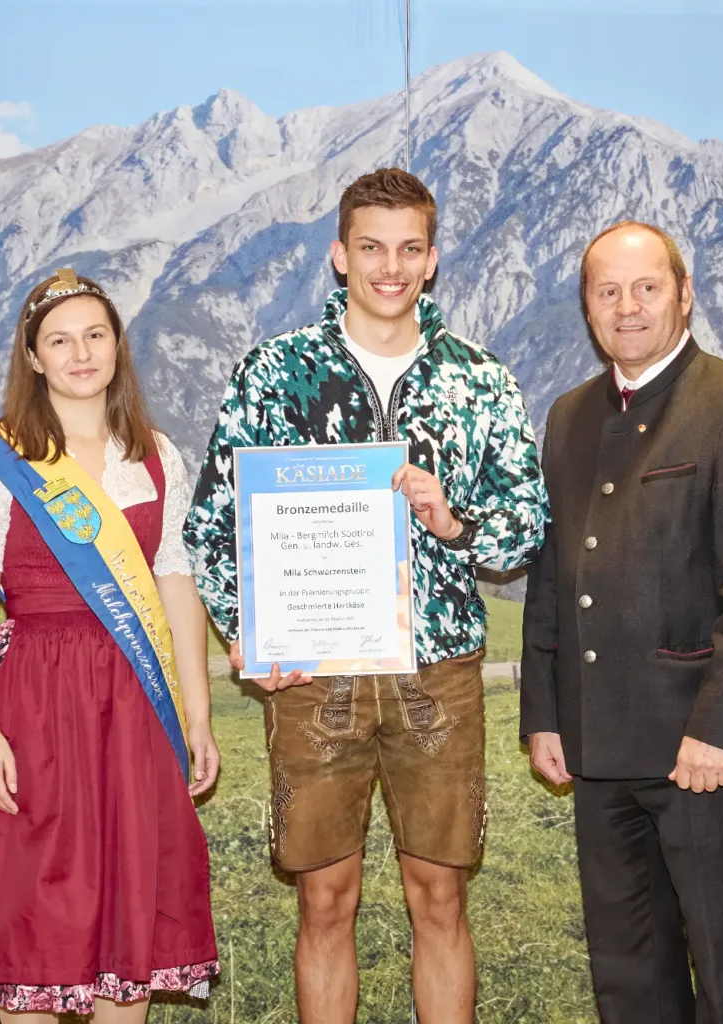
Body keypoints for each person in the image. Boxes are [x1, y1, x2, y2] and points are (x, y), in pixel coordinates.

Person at [184, 167, 547, 1024]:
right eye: (372, 248)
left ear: (432, 260)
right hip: (314, 672)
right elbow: (211, 525)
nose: (391, 267)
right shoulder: (274, 373)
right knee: (324, 901)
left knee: (440, 899)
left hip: (440, 668)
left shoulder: (480, 381)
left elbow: (526, 524)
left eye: (410, 249)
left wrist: (453, 521)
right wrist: (246, 632)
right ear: (340, 256)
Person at [521, 221, 723, 1023]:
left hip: (698, 752)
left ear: (684, 293)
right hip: (598, 747)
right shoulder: (570, 416)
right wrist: (545, 713)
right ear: (586, 307)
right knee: (628, 978)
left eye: (646, 288)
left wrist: (720, 728)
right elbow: (552, 574)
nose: (628, 307)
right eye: (607, 292)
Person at [0, 269, 220, 1023]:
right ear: (33, 358)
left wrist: (197, 716)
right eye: (59, 340)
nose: (81, 353)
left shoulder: (157, 455)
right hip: (34, 702)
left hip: (135, 704)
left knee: (131, 925)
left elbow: (176, 587)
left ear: (118, 345)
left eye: (96, 334)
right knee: (33, 914)